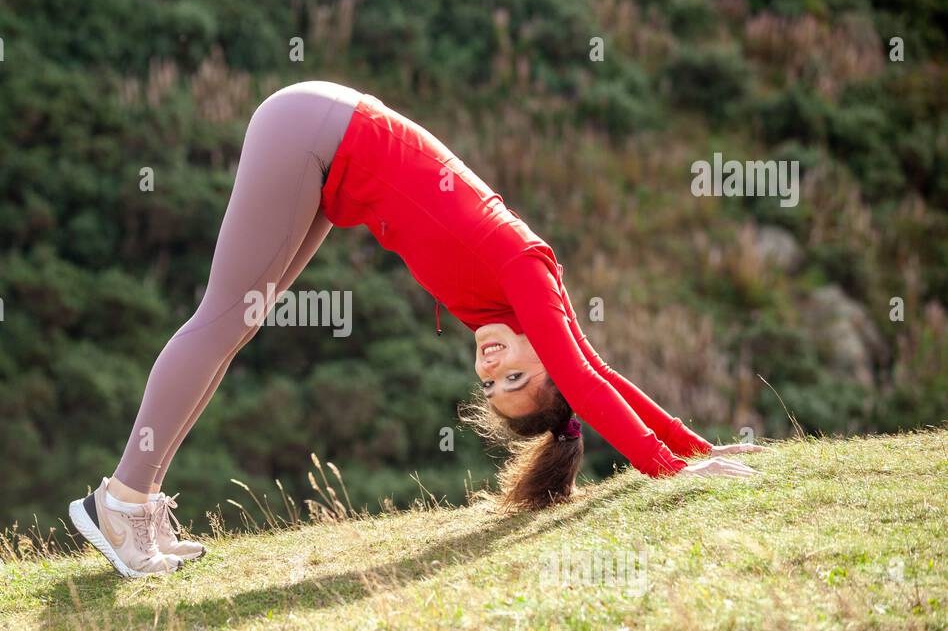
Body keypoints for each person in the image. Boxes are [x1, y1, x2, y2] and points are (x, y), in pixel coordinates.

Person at [67, 81, 761, 577]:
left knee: (234, 326)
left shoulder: (511, 308)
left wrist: (695, 447)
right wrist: (670, 469)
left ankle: (136, 502)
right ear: (546, 364)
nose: (490, 367)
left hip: (327, 151)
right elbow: (585, 376)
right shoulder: (526, 276)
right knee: (221, 320)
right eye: (517, 376)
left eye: (493, 385)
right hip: (315, 132)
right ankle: (121, 502)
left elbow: (595, 372)